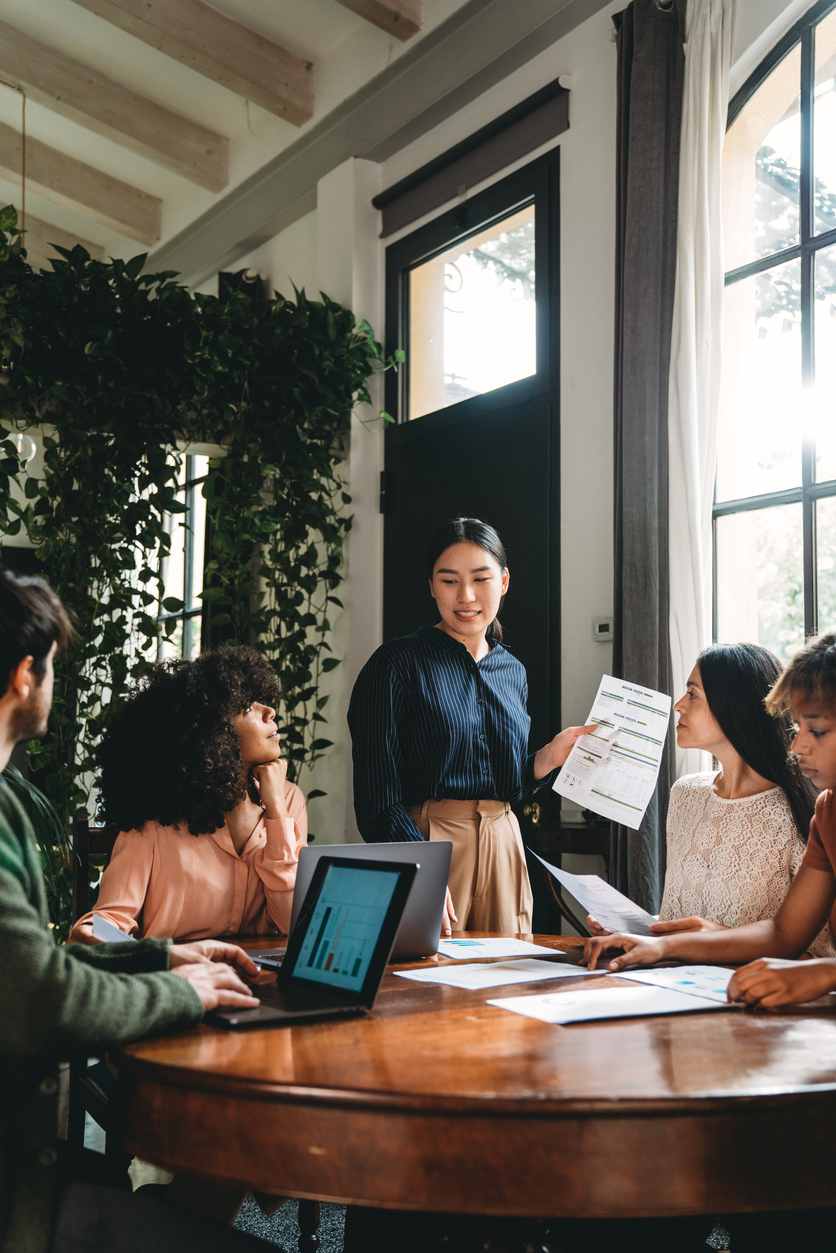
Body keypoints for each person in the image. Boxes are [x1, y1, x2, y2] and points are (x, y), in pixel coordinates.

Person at [0, 568, 277, 1253]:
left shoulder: (6, 800)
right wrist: (176, 985)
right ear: (22, 679)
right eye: (54, 668)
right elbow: (38, 996)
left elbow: (29, 967)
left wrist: (160, 954)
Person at [348, 517, 595, 935]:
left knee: (508, 982)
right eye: (449, 581)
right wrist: (419, 866)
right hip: (430, 843)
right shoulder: (394, 665)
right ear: (431, 585)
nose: (465, 596)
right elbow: (377, 800)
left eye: (481, 579)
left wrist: (548, 757)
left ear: (503, 582)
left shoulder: (511, 671)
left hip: (503, 843)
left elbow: (505, 783)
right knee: (429, 984)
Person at [583, 629, 836, 1008]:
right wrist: (657, 942)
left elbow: (804, 952)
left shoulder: (800, 809)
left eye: (816, 731)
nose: (797, 746)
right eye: (798, 727)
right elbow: (783, 934)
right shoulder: (827, 812)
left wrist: (824, 972)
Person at [69, 646, 305, 945]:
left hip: (261, 980)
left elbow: (291, 924)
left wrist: (277, 811)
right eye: (247, 707)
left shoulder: (287, 799)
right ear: (211, 732)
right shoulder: (156, 815)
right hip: (179, 979)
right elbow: (104, 926)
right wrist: (163, 962)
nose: (269, 712)